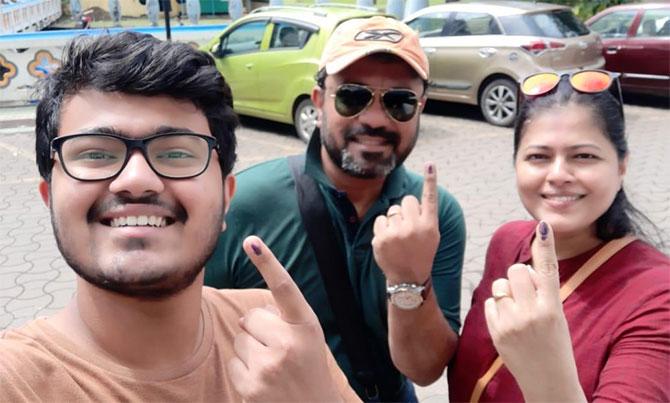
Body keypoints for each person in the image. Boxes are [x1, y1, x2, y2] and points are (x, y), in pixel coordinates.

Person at [0, 32, 359, 402]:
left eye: (176, 154)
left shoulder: (275, 331)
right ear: (49, 197)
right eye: (95, 154)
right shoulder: (16, 383)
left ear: (225, 198)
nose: (136, 180)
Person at [205, 16, 466, 401]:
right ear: (318, 100)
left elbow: (425, 369)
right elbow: (190, 341)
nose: (375, 119)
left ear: (421, 108)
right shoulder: (245, 202)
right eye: (352, 96)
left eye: (400, 102)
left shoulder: (436, 215)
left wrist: (408, 279)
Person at [447, 71, 670, 401]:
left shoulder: (657, 295)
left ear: (621, 167)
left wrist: (547, 368)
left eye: (584, 156)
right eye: (538, 157)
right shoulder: (506, 242)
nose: (558, 175)